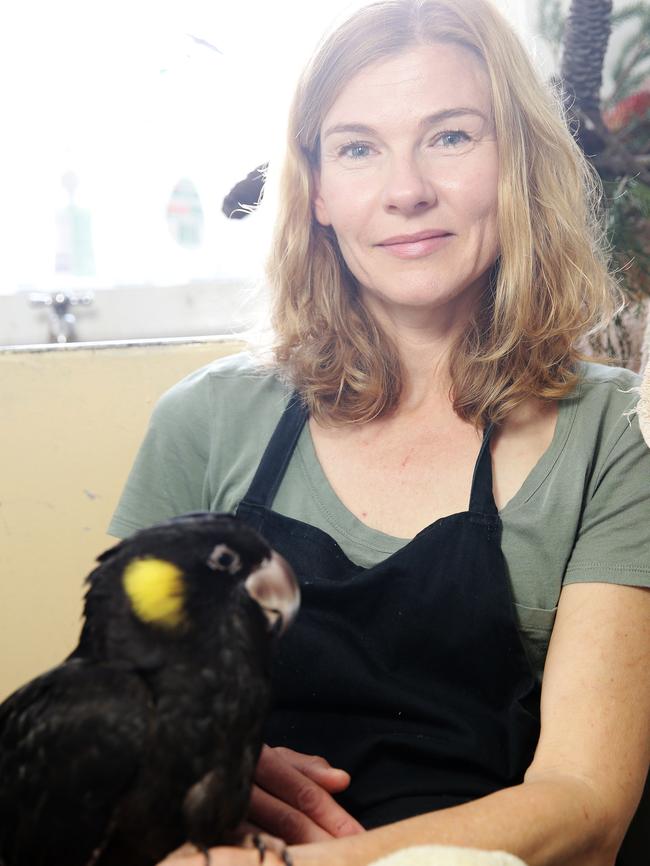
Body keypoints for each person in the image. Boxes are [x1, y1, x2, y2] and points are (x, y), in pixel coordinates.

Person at [109, 1, 650, 864]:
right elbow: (112, 724)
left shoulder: (617, 437)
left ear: (520, 164)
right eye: (358, 148)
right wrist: (201, 763)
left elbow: (584, 807)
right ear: (317, 190)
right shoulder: (202, 422)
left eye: (451, 136)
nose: (407, 190)